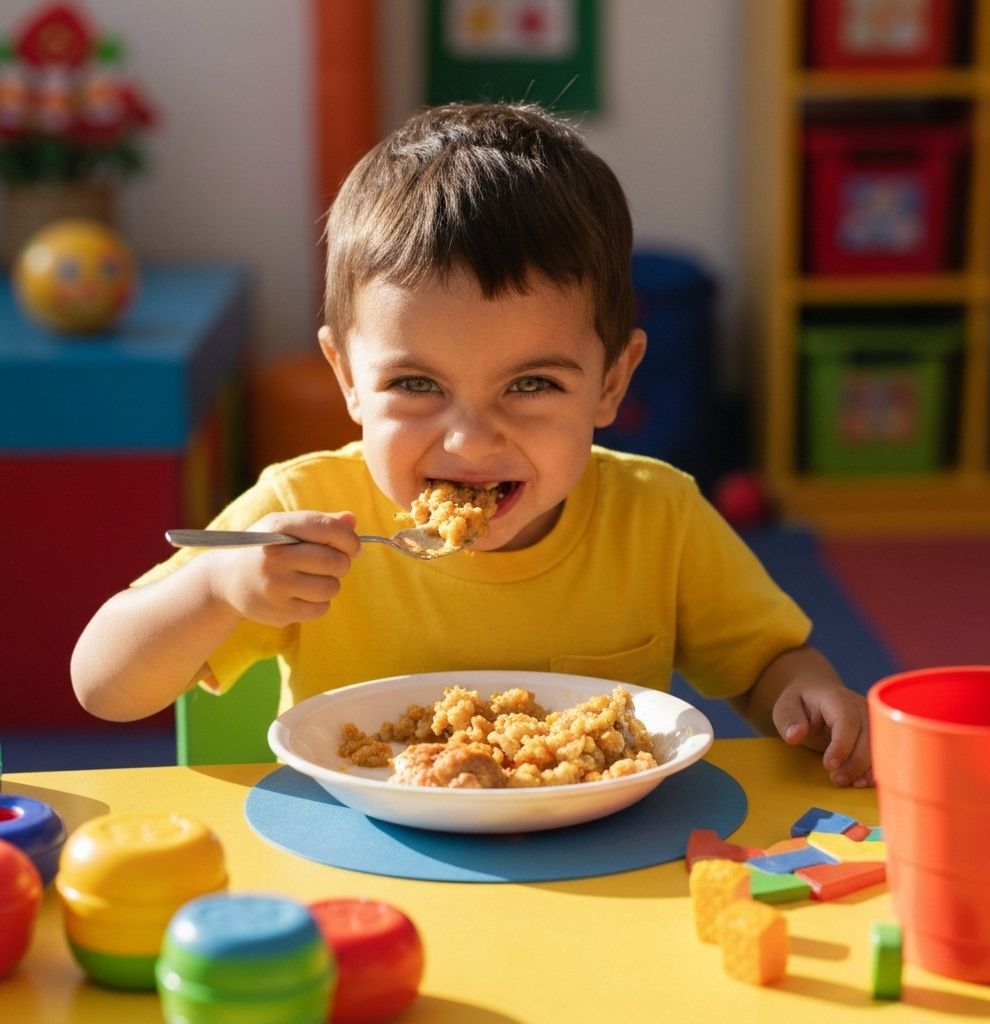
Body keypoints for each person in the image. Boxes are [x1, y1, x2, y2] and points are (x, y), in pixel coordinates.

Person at [71, 101, 872, 787]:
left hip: (603, 865)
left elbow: (769, 666)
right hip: (360, 863)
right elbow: (102, 684)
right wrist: (215, 590)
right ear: (348, 378)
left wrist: (807, 698)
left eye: (531, 385)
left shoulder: (658, 517)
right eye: (417, 383)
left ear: (612, 383)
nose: (470, 438)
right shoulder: (301, 510)